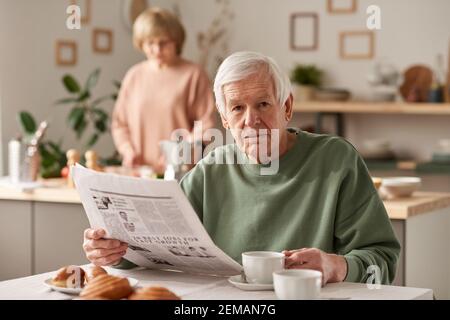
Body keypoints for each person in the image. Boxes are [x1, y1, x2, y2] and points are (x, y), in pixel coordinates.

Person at [83, 51, 400, 285]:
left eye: (263, 104)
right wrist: (113, 251)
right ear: (224, 120)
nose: (251, 120)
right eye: (237, 108)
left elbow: (382, 261)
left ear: (286, 107)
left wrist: (335, 266)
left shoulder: (335, 160)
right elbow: (152, 247)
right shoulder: (210, 172)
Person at [112, 7, 216, 173]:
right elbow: (120, 124)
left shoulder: (194, 75)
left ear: (176, 41)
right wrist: (127, 150)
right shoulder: (134, 76)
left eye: (163, 42)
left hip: (180, 172)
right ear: (141, 44)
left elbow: (205, 125)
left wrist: (177, 153)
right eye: (150, 43)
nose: (157, 50)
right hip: (139, 172)